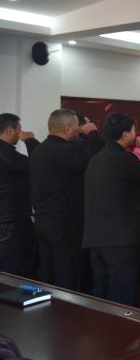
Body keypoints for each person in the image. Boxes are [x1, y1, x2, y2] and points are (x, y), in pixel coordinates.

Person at [29, 109, 103, 290]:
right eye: (77, 128)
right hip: (63, 222)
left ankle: (44, 306)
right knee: (65, 271)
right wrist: (92, 132)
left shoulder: (40, 149)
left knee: (46, 271)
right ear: (68, 128)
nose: (79, 131)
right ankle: (63, 307)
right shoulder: (64, 151)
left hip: (42, 220)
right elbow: (95, 152)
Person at [83, 113, 140, 306]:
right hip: (120, 238)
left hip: (96, 236)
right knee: (121, 294)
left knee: (101, 292)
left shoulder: (95, 159)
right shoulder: (125, 159)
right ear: (125, 134)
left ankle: (98, 325)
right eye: (134, 130)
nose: (136, 134)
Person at [0, 114, 38, 277]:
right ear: (9, 130)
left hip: (6, 218)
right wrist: (30, 141)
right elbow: (36, 165)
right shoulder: (5, 154)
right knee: (14, 272)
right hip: (11, 219)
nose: (20, 133)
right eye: (18, 129)